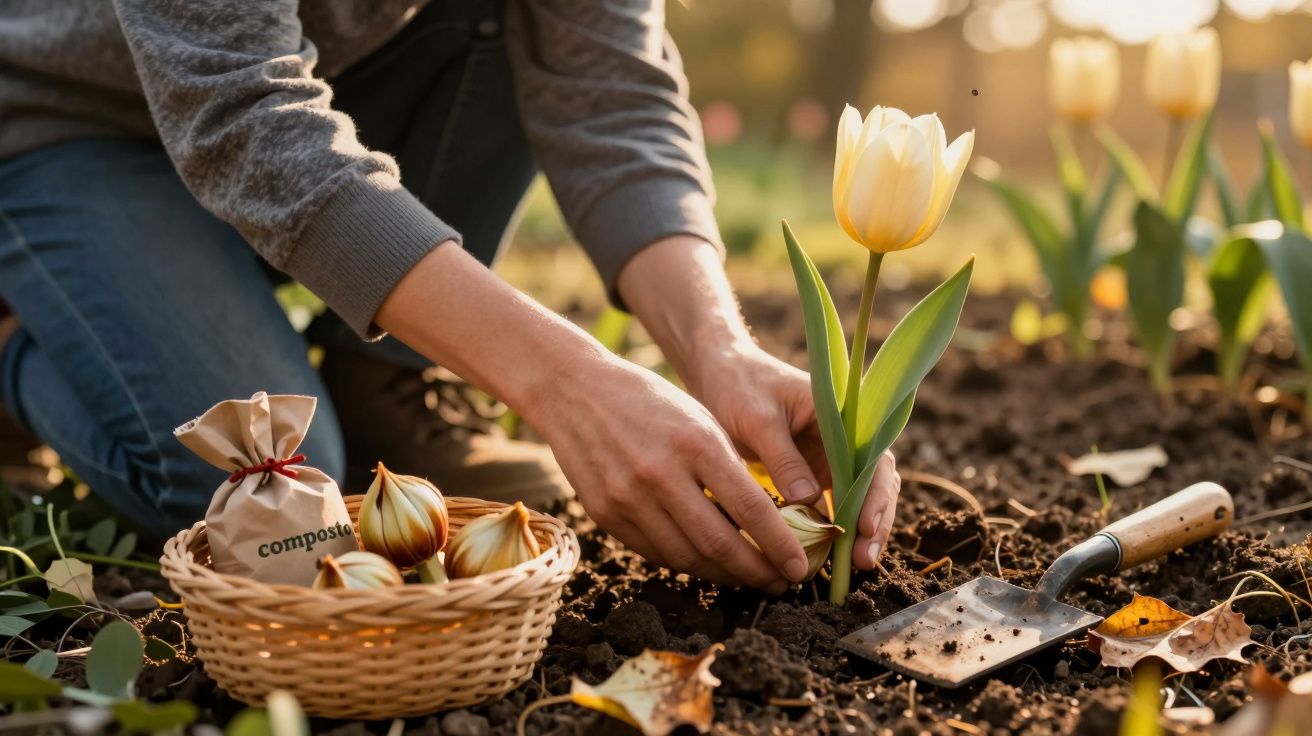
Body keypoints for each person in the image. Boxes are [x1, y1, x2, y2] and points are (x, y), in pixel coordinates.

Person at [0, 0, 900, 593]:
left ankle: (384, 379)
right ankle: (28, 335)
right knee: (245, 483)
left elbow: (613, 99)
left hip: (331, 94)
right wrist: (566, 383)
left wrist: (718, 349)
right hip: (74, 123)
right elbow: (238, 115)